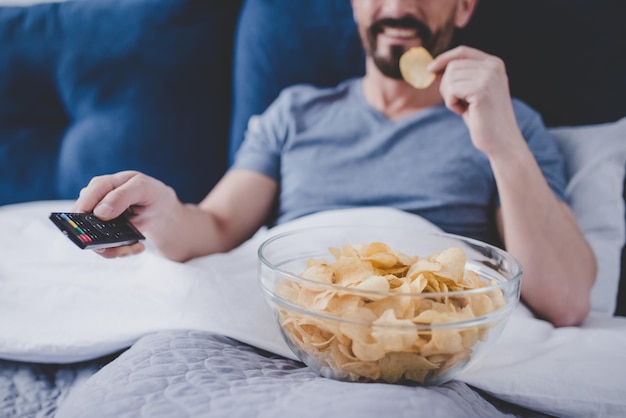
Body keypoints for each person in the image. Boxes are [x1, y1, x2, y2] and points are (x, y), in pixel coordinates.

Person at [72, 0, 596, 327]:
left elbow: (567, 301)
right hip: (291, 319)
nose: (398, 5)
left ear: (463, 7)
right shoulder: (295, 113)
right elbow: (215, 226)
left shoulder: (508, 121)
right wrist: (159, 209)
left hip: (414, 335)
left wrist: (501, 142)